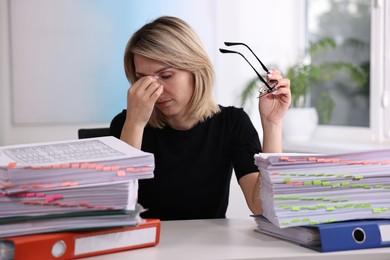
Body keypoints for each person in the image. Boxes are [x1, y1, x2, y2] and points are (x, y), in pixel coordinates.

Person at [110, 16, 291, 220]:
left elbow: (262, 206)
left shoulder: (232, 123)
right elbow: (117, 209)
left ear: (196, 71)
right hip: (145, 244)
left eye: (167, 75)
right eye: (143, 79)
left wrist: (272, 123)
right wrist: (135, 124)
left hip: (209, 248)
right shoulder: (126, 124)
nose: (156, 90)